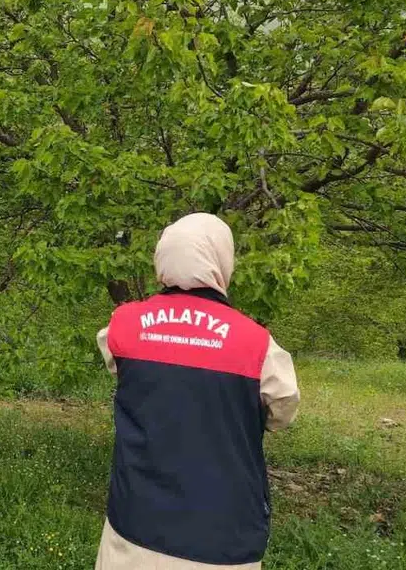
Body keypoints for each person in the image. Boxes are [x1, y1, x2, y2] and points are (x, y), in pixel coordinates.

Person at [95, 213, 300, 570]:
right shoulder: (257, 344)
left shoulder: (122, 326)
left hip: (133, 529)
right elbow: (282, 411)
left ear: (163, 256)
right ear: (222, 259)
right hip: (222, 538)